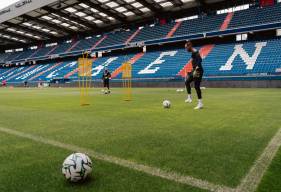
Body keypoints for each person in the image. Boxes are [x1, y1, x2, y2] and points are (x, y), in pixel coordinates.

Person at [184, 41, 204, 110]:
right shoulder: (192, 53)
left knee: (196, 86)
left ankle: (200, 103)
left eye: (186, 47)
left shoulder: (196, 52)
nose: (186, 49)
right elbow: (194, 62)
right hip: (195, 70)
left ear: (190, 46)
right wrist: (191, 71)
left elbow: (200, 60)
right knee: (187, 82)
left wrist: (196, 68)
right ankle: (189, 98)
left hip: (198, 71)